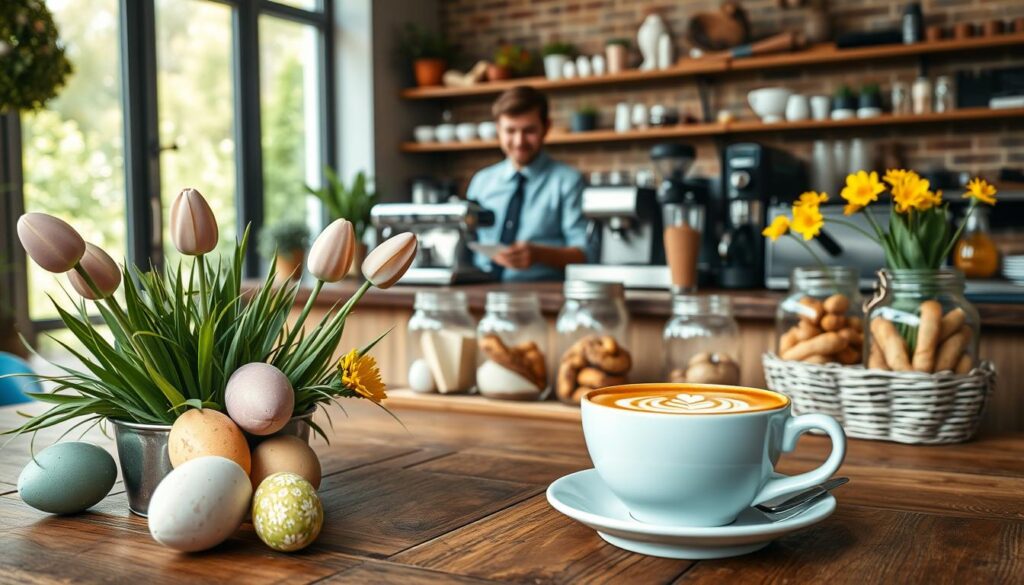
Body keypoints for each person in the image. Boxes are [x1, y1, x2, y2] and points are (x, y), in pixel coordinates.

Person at [467, 86, 593, 281]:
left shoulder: (568, 181)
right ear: (498, 130)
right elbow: (467, 240)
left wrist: (538, 254)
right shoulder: (482, 181)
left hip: (542, 292)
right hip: (479, 289)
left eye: (529, 131)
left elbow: (585, 253)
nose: (519, 141)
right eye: (510, 131)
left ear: (546, 127)